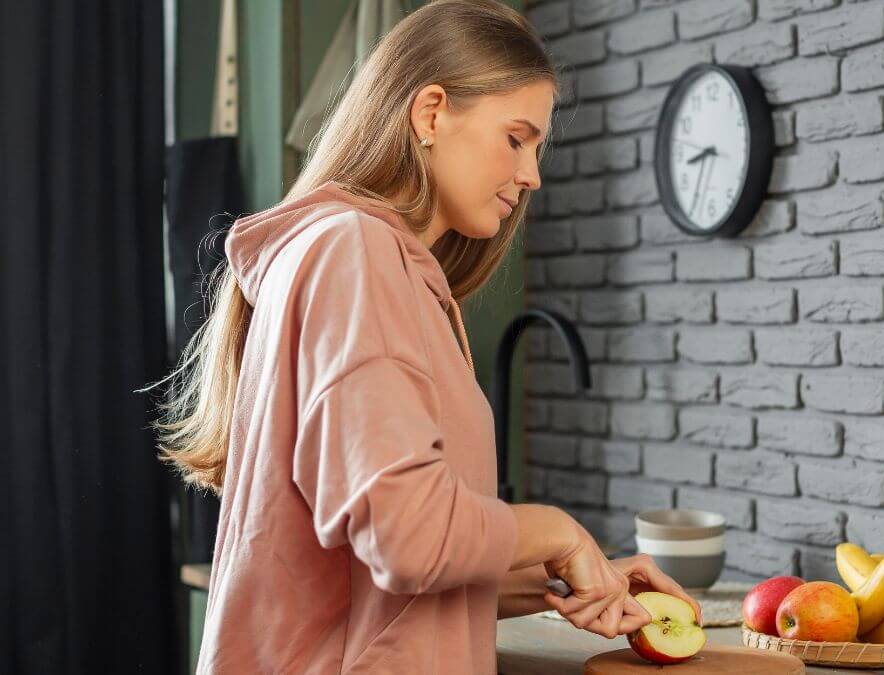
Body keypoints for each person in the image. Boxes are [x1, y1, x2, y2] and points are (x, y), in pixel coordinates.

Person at [146, 1, 701, 672]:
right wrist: (554, 527)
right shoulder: (356, 253)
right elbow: (406, 534)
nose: (532, 175)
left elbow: (381, 579)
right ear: (431, 113)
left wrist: (565, 577)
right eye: (516, 137)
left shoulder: (361, 262)